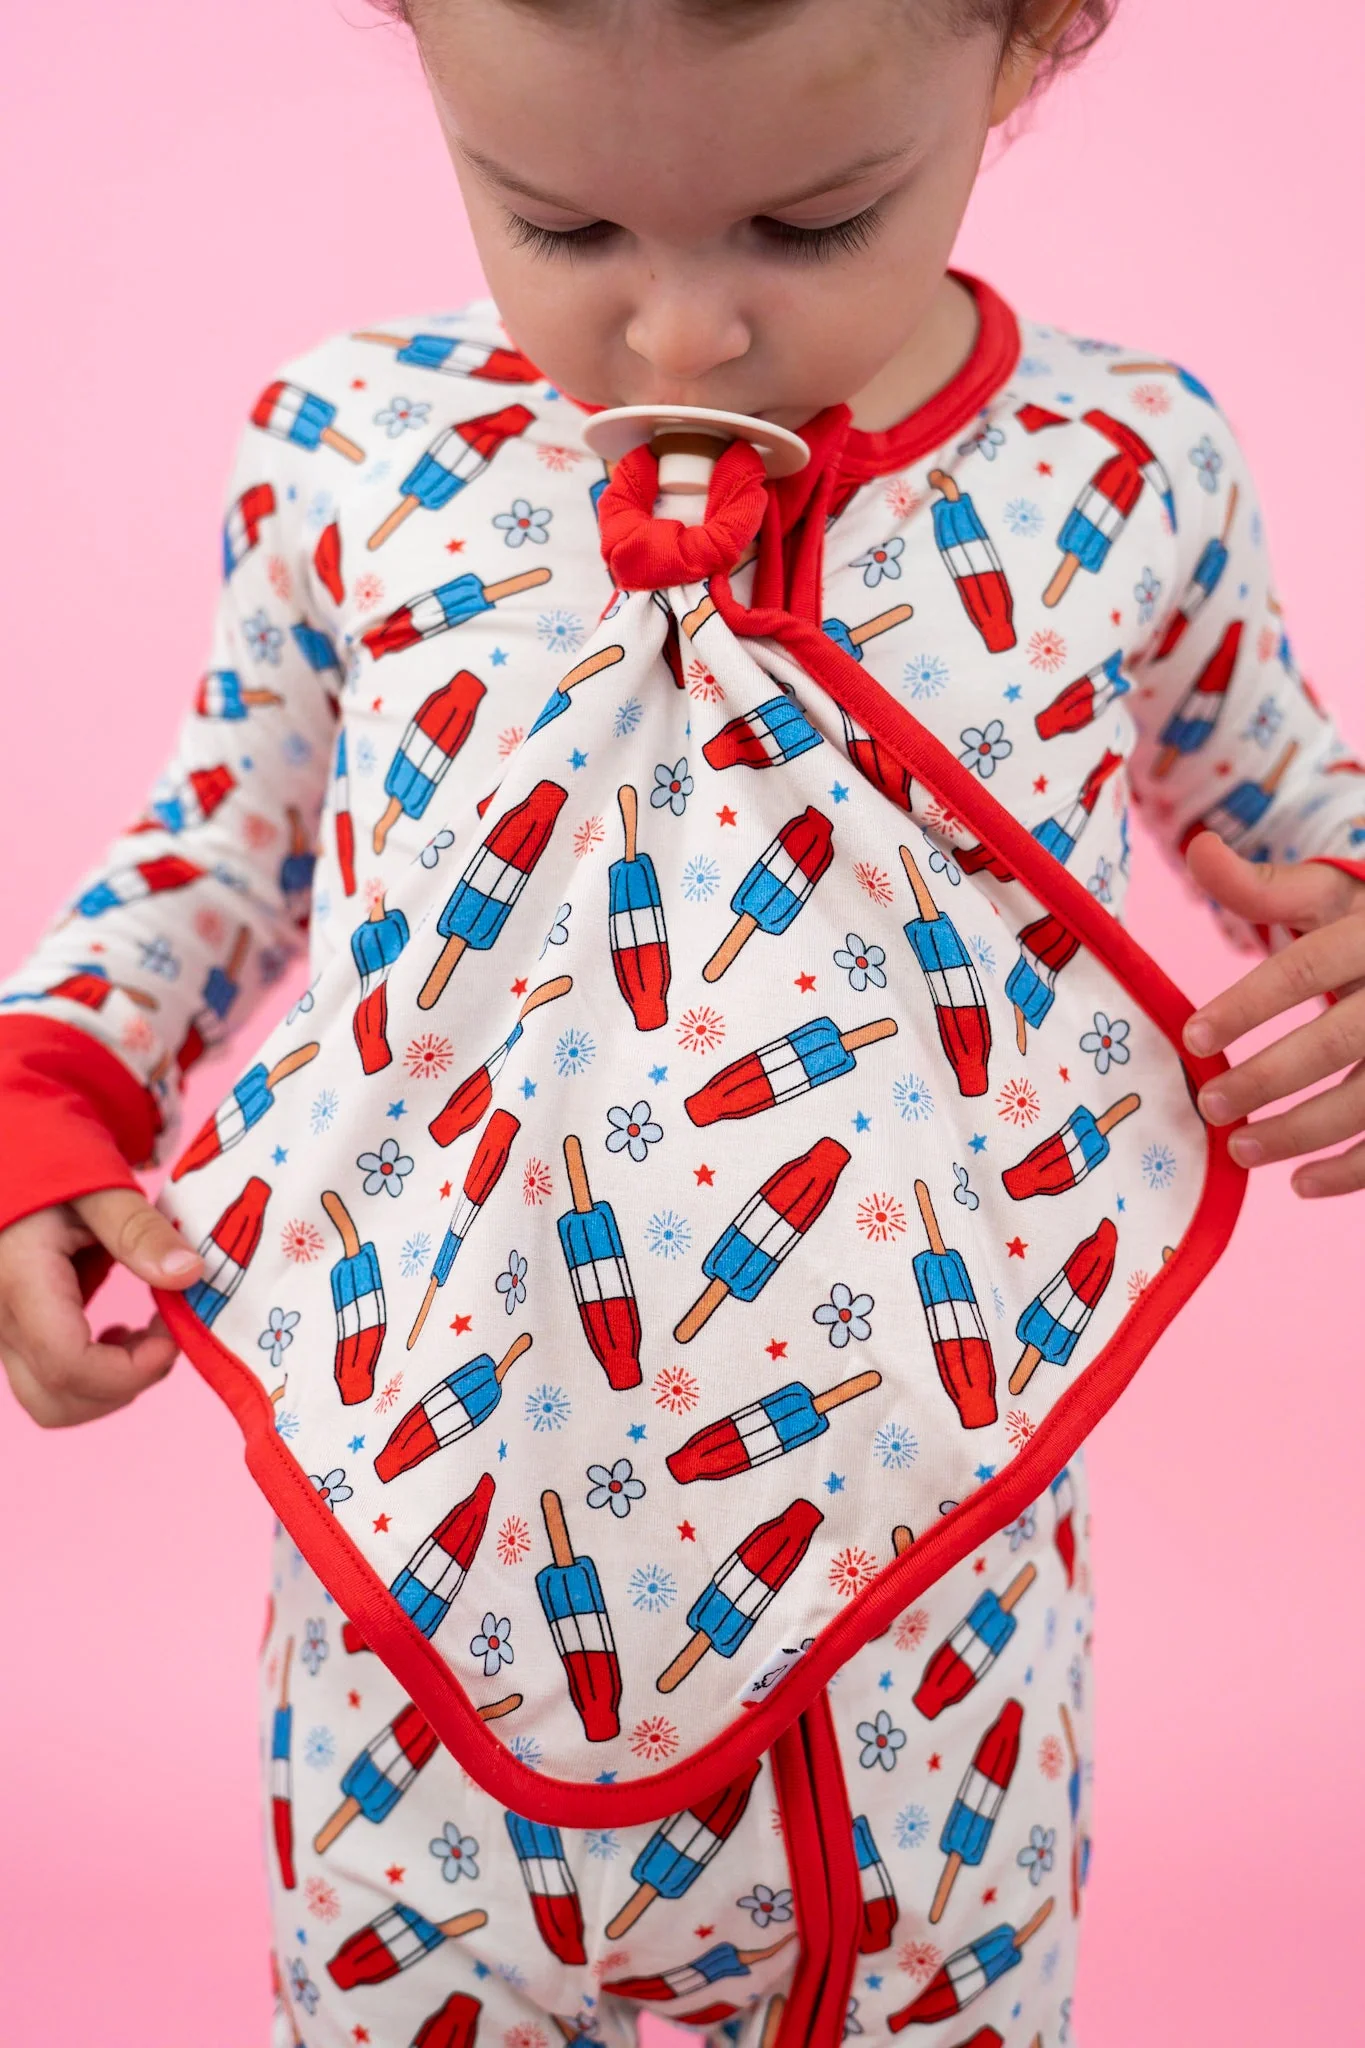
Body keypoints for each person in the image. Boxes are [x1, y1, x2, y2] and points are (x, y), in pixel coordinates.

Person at [3, 3, 1364, 2043]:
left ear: (1026, 47)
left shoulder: (1125, 467)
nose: (677, 336)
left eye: (808, 225)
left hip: (939, 1669)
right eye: (559, 226)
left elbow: (1290, 811)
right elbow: (223, 839)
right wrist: (43, 1094)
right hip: (419, 1623)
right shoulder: (353, 445)